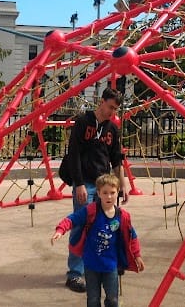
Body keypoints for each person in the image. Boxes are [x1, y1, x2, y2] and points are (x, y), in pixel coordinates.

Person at [60, 87, 127, 293]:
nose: (111, 112)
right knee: (81, 225)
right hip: (85, 183)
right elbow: (74, 154)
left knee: (105, 226)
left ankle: (101, 266)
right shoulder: (83, 122)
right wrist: (78, 183)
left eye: (115, 109)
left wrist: (122, 186)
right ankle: (75, 273)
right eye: (110, 107)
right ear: (101, 102)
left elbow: (116, 159)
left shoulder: (112, 129)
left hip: (103, 185)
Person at [51, 173, 144, 307]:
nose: (109, 196)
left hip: (110, 265)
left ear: (117, 192)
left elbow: (131, 236)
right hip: (91, 265)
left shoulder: (122, 216)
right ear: (98, 193)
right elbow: (73, 219)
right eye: (105, 193)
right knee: (93, 300)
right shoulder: (91, 211)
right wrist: (60, 230)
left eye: (112, 192)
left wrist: (137, 255)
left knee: (112, 299)